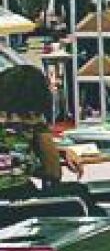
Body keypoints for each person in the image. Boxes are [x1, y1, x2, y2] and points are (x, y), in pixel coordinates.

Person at [0, 64, 96, 211]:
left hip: (11, 206)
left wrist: (60, 151)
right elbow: (53, 172)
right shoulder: (26, 129)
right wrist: (41, 128)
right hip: (18, 207)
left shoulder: (15, 129)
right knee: (79, 194)